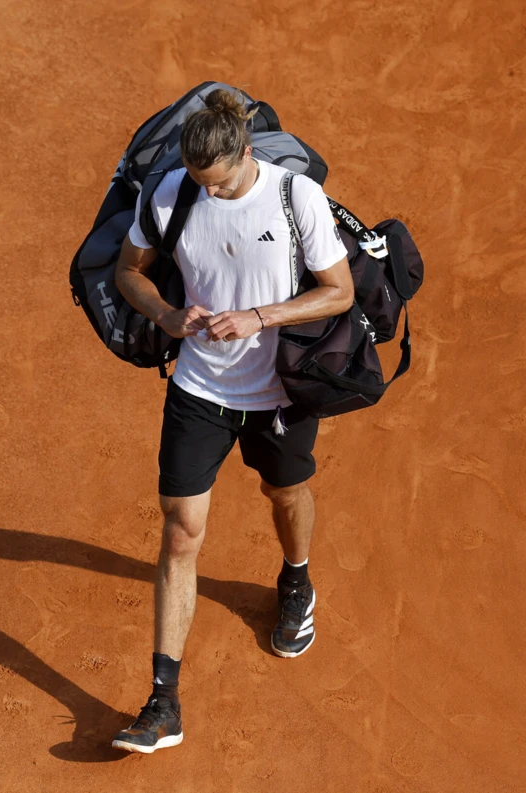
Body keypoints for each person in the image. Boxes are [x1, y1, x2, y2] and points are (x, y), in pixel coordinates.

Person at [110, 89, 354, 753]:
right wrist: (165, 313)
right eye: (198, 184)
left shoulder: (292, 196)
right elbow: (130, 271)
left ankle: (296, 575)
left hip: (277, 393)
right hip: (198, 386)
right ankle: (163, 701)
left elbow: (340, 289)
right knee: (182, 529)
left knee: (284, 494)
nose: (208, 195)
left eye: (218, 183)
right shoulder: (168, 193)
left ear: (245, 155)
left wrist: (259, 316)